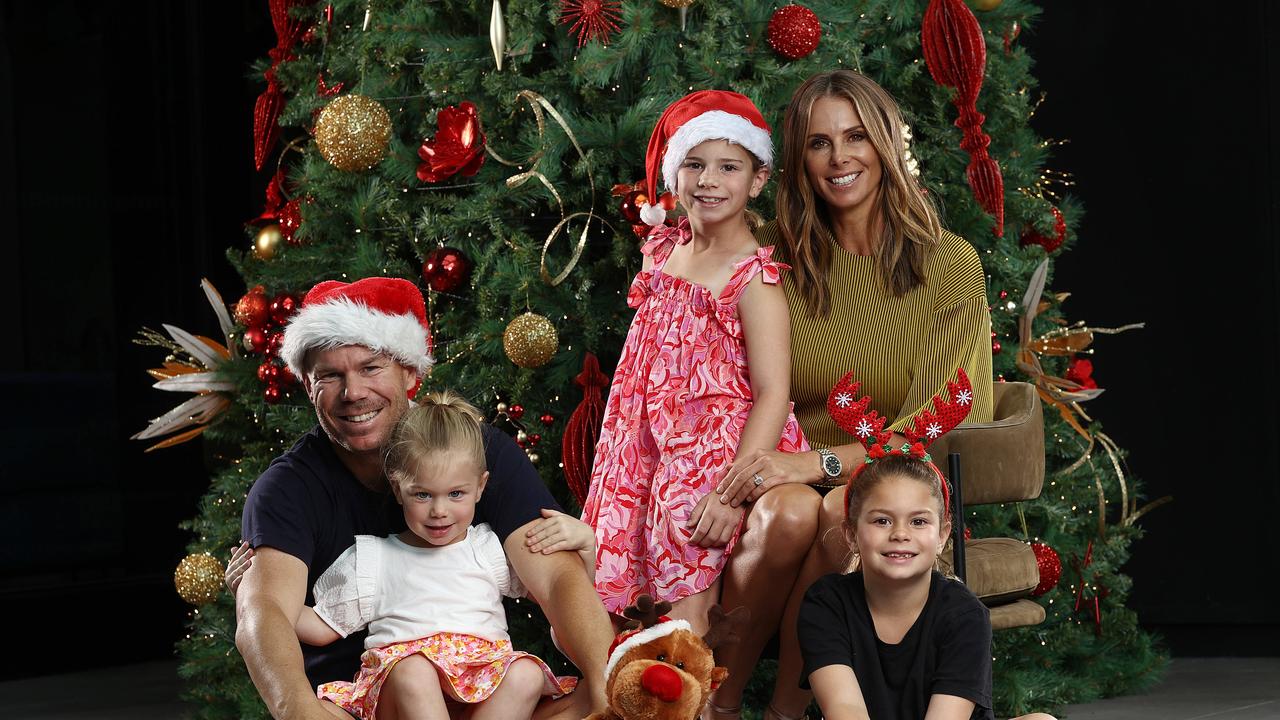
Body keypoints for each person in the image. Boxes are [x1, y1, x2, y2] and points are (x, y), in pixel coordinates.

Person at [705, 70, 996, 719]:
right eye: (818, 143)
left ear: (886, 143)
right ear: (799, 159)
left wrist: (819, 464)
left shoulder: (949, 263)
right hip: (779, 471)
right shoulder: (771, 260)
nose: (840, 158)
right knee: (788, 513)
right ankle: (717, 702)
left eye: (856, 136)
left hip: (890, 478)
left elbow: (946, 412)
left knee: (839, 512)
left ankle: (787, 711)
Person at [230, 277, 613, 720]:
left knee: (592, 694)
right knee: (398, 680)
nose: (353, 393)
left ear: (411, 371)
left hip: (483, 696)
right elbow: (268, 613)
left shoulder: (477, 452)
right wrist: (298, 709)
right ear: (308, 385)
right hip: (365, 702)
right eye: (330, 376)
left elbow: (553, 580)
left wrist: (607, 689)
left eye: (370, 368)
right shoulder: (288, 489)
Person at [581, 90, 808, 635]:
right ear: (673, 174)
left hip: (713, 451)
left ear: (756, 180)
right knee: (621, 589)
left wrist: (733, 492)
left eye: (728, 167)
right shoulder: (665, 249)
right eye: (694, 164)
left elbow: (775, 391)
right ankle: (634, 696)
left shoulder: (754, 278)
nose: (709, 180)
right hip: (643, 439)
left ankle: (698, 701)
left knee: (687, 592)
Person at [232, 392, 585, 720]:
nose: (439, 511)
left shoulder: (488, 550)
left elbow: (556, 596)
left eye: (456, 494)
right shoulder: (373, 559)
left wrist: (587, 545)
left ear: (480, 487)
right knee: (414, 670)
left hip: (481, 684)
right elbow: (320, 627)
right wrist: (255, 593)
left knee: (525, 673)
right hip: (403, 691)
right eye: (422, 495)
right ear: (398, 489)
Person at [796, 378, 1053, 720]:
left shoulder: (964, 614)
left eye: (918, 522)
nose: (900, 534)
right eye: (881, 521)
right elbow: (844, 708)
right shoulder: (827, 603)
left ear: (943, 533)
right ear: (851, 534)